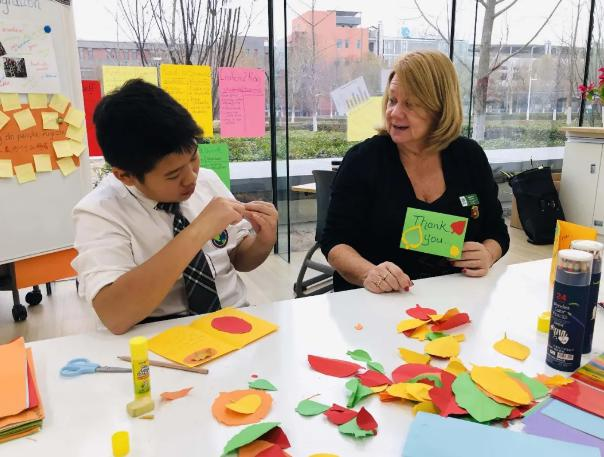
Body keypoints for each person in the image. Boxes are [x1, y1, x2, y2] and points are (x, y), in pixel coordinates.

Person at [72, 79, 278, 334]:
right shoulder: (99, 212)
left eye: (194, 157)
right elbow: (115, 315)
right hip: (159, 334)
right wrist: (198, 231)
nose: (191, 178)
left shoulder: (207, 181)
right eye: (173, 174)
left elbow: (237, 258)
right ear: (125, 176)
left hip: (234, 320)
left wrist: (262, 242)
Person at [320, 50, 509, 293]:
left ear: (440, 108)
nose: (394, 112)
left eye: (410, 104)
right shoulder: (363, 160)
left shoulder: (469, 157)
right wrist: (370, 273)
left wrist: (488, 254)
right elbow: (334, 242)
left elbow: (497, 232)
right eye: (392, 100)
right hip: (377, 302)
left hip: (454, 301)